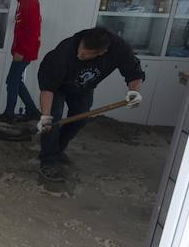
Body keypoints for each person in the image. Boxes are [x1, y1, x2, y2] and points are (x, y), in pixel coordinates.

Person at [35, 27, 145, 180]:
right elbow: (48, 89)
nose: (80, 55)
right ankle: (48, 161)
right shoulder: (63, 53)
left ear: (101, 53)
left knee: (79, 120)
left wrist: (134, 92)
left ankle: (57, 150)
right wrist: (45, 116)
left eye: (86, 55)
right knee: (52, 120)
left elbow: (134, 73)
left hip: (83, 87)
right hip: (57, 86)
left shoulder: (119, 49)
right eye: (81, 50)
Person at [0, 0, 41, 123]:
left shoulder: (30, 4)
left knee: (12, 81)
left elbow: (32, 33)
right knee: (15, 81)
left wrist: (21, 52)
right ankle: (33, 111)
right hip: (22, 50)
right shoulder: (24, 1)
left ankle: (9, 114)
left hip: (24, 52)